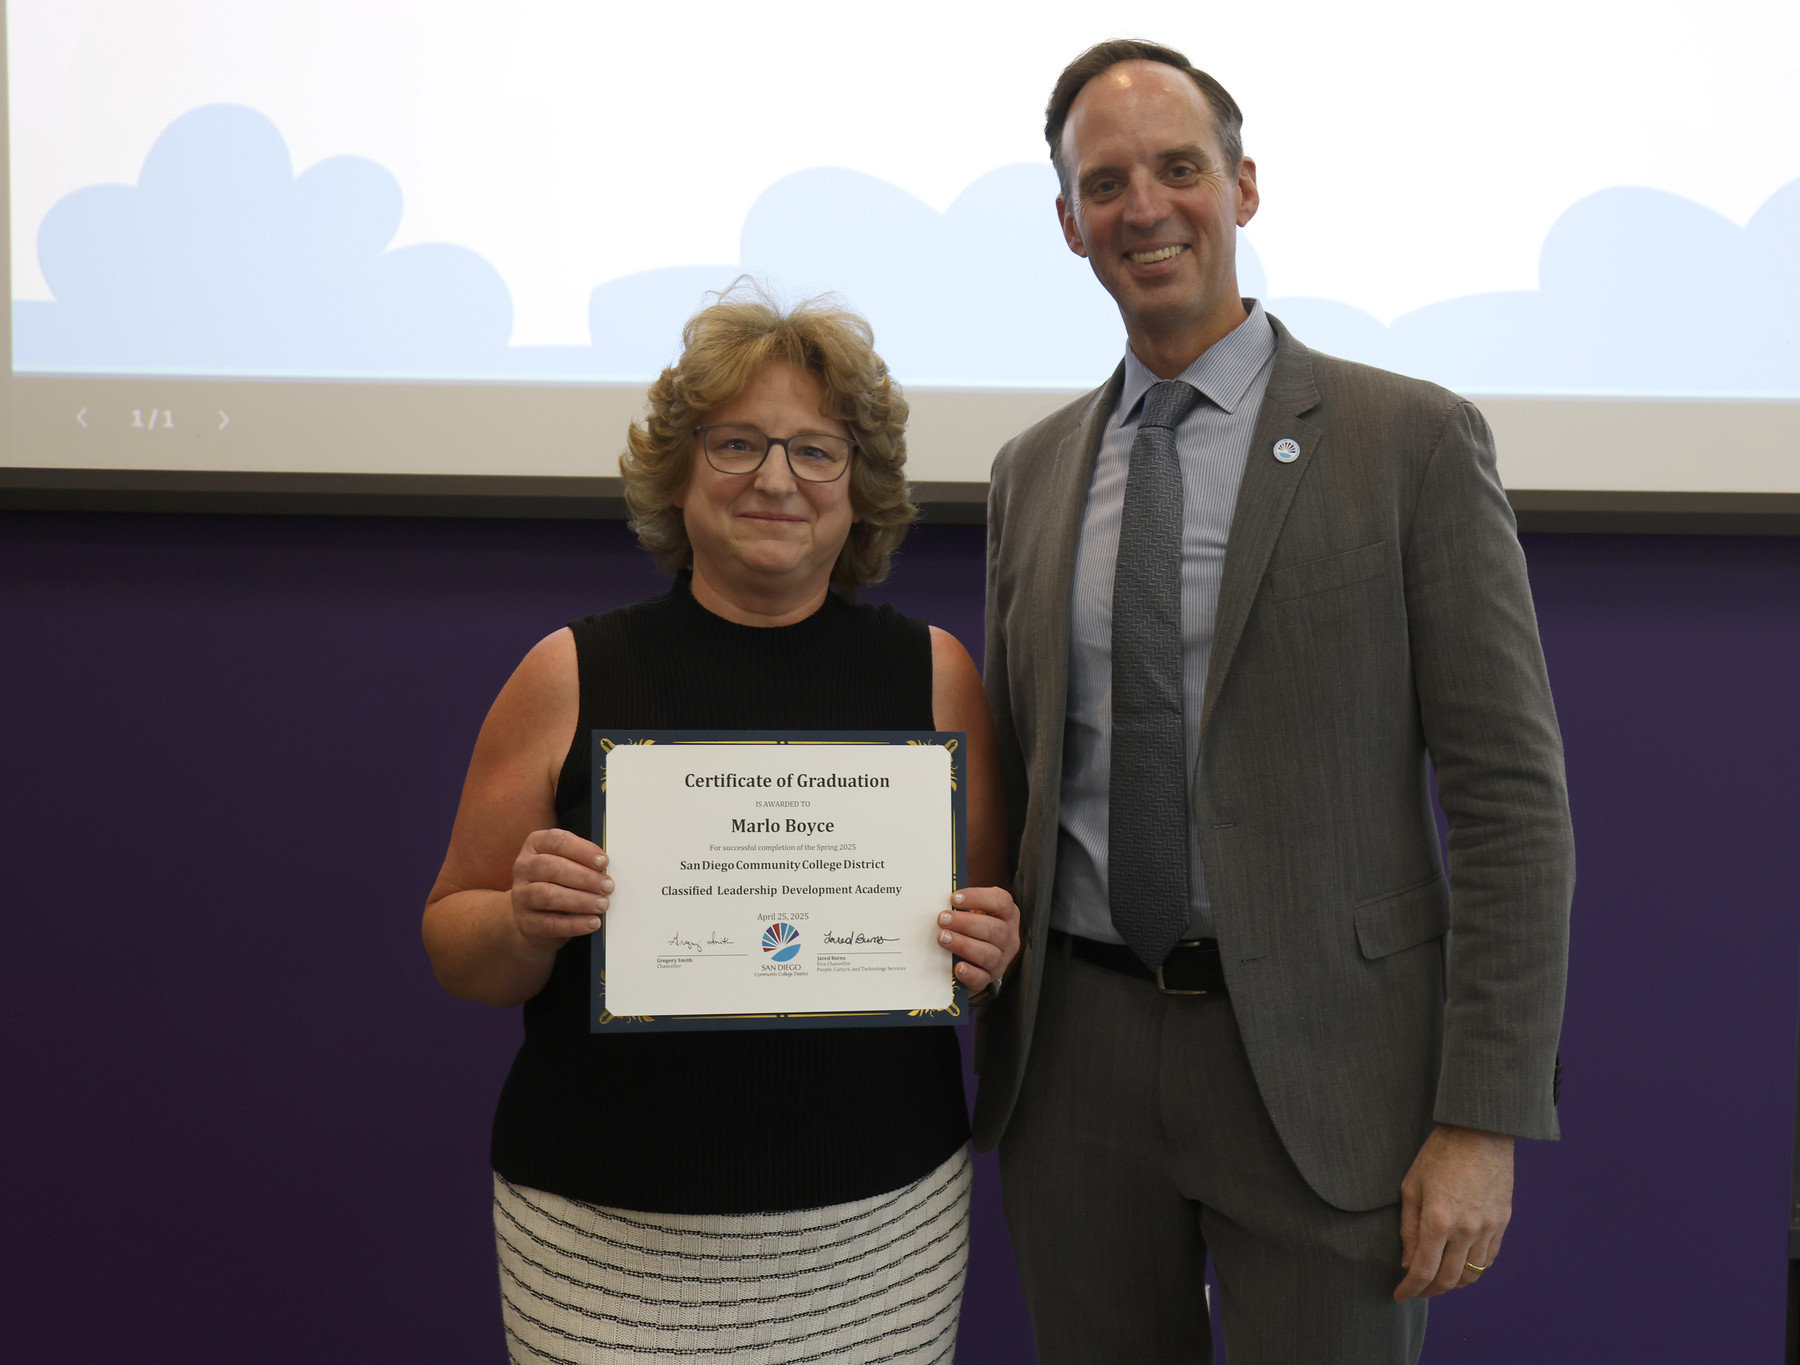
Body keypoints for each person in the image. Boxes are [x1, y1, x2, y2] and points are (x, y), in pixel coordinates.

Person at [977, 39, 1575, 1363]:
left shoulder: (1408, 441)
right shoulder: (1029, 473)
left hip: (1327, 1072)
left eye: (1178, 169)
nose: (1146, 208)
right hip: (1073, 1066)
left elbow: (1509, 805)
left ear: (1243, 188)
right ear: (1069, 222)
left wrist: (1482, 1117)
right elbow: (1020, 779)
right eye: (1107, 181)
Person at [422, 294, 1020, 1364]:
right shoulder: (567, 673)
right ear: (679, 469)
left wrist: (990, 950)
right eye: (736, 443)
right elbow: (455, 943)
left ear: (860, 485)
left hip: (875, 1223)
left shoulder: (933, 674)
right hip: (602, 1228)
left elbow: (979, 944)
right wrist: (520, 921)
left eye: (815, 450)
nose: (776, 479)